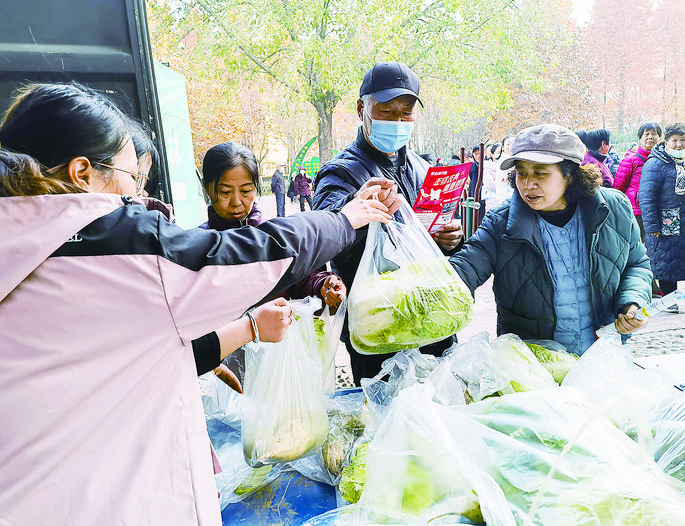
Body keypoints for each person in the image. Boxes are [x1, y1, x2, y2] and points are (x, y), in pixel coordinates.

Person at [0, 82, 393, 525]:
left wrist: (245, 329)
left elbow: (124, 360)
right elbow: (263, 252)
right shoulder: (120, 249)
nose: (136, 198)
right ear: (81, 173)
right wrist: (346, 218)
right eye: (132, 180)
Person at [313, 61, 464, 385]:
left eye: (405, 112)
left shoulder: (424, 170)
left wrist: (449, 239)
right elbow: (327, 231)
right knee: (386, 427)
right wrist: (358, 210)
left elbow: (429, 241)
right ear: (361, 109)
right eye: (386, 111)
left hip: (432, 326)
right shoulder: (340, 173)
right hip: (380, 332)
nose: (397, 121)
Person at [449, 124, 652, 355]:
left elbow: (636, 265)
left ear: (570, 174)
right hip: (532, 366)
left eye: (540, 173)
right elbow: (467, 266)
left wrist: (632, 302)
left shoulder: (613, 209)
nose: (528, 184)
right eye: (522, 173)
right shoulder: (500, 222)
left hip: (604, 354)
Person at [197, 142, 348, 382]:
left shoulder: (275, 238)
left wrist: (324, 285)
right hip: (226, 366)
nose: (236, 201)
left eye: (246, 191)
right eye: (225, 192)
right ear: (207, 188)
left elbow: (301, 278)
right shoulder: (198, 246)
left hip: (281, 361)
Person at [637, 123, 685, 311]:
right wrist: (652, 228)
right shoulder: (655, 163)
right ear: (666, 142)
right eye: (674, 141)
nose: (679, 144)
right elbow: (646, 198)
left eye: (683, 140)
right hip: (667, 224)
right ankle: (669, 301)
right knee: (667, 262)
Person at [613, 122, 662, 242]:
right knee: (638, 245)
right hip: (637, 213)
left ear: (659, 137)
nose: (650, 137)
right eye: (646, 134)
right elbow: (617, 189)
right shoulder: (630, 161)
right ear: (640, 138)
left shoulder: (663, 160)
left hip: (659, 210)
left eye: (654, 134)